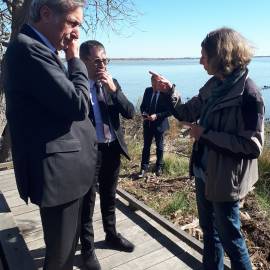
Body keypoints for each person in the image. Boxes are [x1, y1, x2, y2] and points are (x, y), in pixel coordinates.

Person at [150, 27, 264, 270]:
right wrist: (170, 91)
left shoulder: (249, 94)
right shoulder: (214, 85)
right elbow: (186, 112)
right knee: (209, 234)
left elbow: (252, 146)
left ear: (221, 56)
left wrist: (206, 134)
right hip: (204, 171)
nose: (200, 60)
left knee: (231, 240)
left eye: (204, 55)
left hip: (226, 179)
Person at [3, 1, 98, 269]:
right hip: (58, 176)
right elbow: (78, 105)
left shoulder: (39, 49)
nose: (76, 32)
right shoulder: (29, 50)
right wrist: (74, 59)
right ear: (46, 13)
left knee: (66, 249)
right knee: (60, 256)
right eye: (73, 22)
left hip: (66, 172)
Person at [79, 40, 135, 263]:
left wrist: (115, 90)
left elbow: (130, 112)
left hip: (112, 149)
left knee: (109, 196)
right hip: (88, 152)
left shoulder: (112, 83)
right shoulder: (77, 85)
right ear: (84, 62)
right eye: (97, 61)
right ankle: (87, 248)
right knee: (88, 201)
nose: (102, 65)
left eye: (105, 60)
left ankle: (111, 235)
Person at [138, 76, 172, 178]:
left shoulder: (165, 93)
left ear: (160, 83)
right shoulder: (148, 91)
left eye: (156, 84)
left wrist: (156, 116)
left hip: (160, 125)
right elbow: (142, 106)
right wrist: (144, 114)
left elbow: (169, 111)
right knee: (146, 147)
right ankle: (143, 168)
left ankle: (159, 167)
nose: (154, 86)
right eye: (152, 83)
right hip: (148, 124)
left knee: (160, 147)